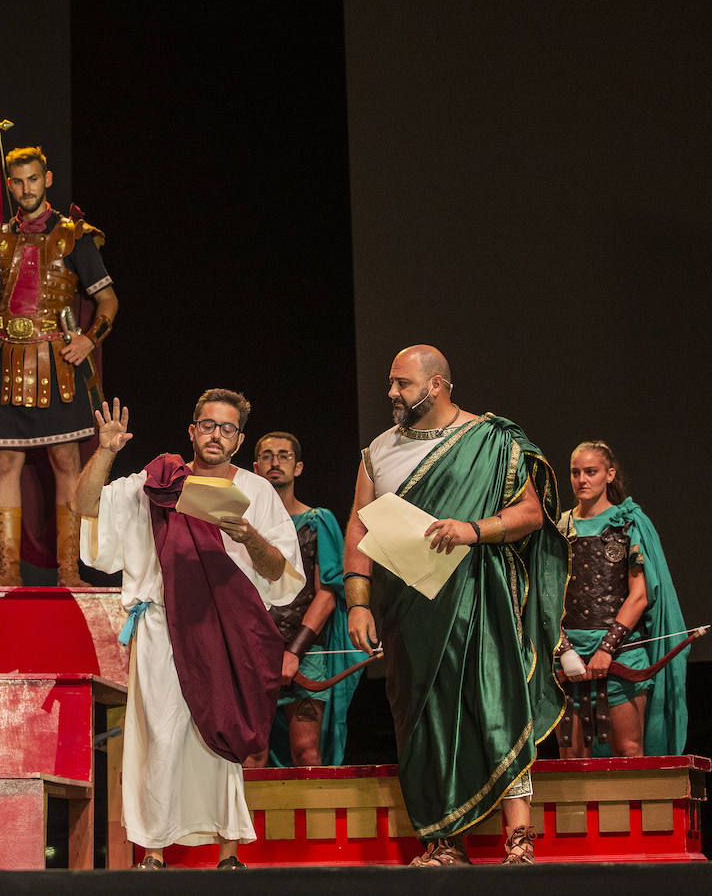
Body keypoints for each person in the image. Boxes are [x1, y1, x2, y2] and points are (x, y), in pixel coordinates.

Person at [343, 345, 565, 866]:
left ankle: (519, 838)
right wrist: (358, 602)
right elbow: (359, 522)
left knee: (496, 703)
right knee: (424, 721)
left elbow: (531, 513)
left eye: (403, 384)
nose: (392, 393)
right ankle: (444, 841)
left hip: (479, 598)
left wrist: (473, 530)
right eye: (391, 383)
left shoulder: (492, 441)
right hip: (408, 609)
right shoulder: (378, 451)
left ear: (438, 385)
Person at [75, 390, 303, 869]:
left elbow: (282, 572)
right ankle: (154, 850)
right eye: (207, 425)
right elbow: (86, 506)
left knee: (219, 734)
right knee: (159, 733)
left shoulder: (256, 493)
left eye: (226, 428)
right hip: (161, 625)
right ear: (192, 430)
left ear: (238, 440)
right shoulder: (158, 482)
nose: (215, 434)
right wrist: (106, 450)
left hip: (226, 630)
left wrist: (249, 535)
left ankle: (228, 850)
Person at [0, 146, 118, 587]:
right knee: (5, 466)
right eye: (18, 181)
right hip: (5, 364)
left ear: (46, 179)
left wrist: (89, 340)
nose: (26, 188)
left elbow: (108, 299)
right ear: (9, 185)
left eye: (34, 179)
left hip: (58, 369)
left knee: (67, 463)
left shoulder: (76, 236)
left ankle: (70, 573)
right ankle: (7, 572)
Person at [554, 440, 688, 758]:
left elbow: (639, 595)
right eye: (576, 473)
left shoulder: (626, 523)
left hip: (621, 654)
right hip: (569, 657)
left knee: (628, 751)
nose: (582, 480)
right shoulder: (557, 528)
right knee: (571, 759)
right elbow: (546, 597)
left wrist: (605, 649)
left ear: (609, 475)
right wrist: (565, 650)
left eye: (591, 472)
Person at [245, 431, 365, 768]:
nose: (275, 462)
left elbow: (328, 592)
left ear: (298, 467)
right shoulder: (243, 528)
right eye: (267, 456)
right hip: (254, 652)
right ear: (255, 467)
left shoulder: (316, 521)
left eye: (284, 456)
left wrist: (293, 652)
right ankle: (250, 824)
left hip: (306, 650)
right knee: (250, 753)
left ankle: (316, 823)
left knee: (307, 751)